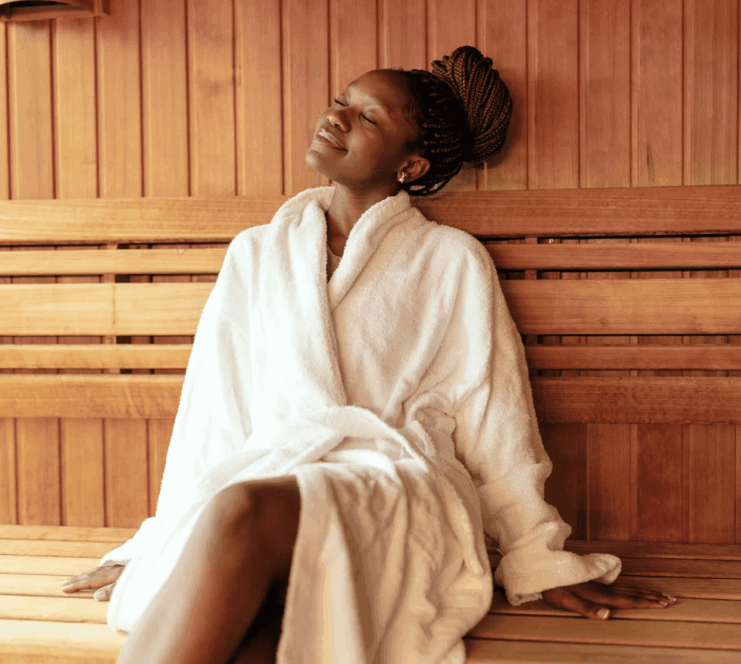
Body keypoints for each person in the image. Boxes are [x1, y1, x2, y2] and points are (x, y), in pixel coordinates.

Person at [61, 46, 676, 664]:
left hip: (396, 487)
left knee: (244, 509)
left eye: (369, 117)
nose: (338, 118)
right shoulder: (257, 253)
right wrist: (164, 542)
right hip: (279, 485)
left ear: (410, 165)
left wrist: (537, 554)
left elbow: (493, 417)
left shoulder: (450, 260)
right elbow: (213, 412)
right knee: (260, 638)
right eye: (341, 102)